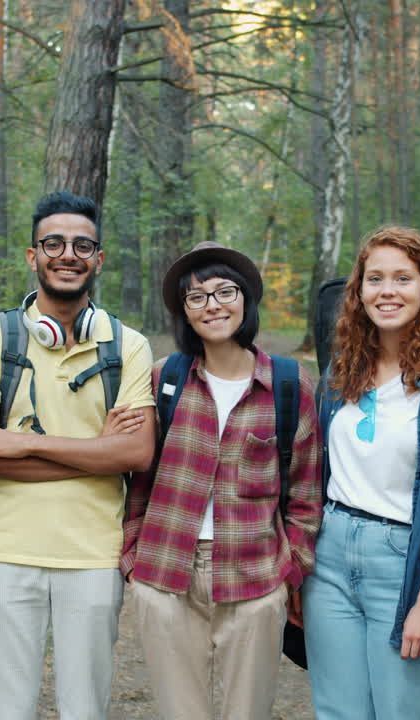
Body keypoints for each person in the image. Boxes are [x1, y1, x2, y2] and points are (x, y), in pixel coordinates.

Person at [0, 190, 156, 720]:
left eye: (82, 245)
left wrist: (22, 441)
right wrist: (98, 451)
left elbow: (137, 451)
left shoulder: (127, 345)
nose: (68, 254)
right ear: (32, 255)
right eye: (54, 242)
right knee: (6, 706)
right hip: (4, 550)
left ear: (99, 258)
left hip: (93, 552)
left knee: (85, 707)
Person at [118, 241, 323, 720]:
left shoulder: (290, 387)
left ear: (246, 300)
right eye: (197, 297)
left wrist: (288, 573)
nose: (212, 305)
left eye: (224, 291)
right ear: (184, 314)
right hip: (165, 576)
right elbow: (138, 477)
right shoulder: (161, 380)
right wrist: (133, 558)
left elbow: (307, 498)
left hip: (255, 580)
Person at [303, 226, 420, 719]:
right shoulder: (342, 373)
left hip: (405, 563)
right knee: (337, 711)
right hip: (331, 556)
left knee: (401, 710)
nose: (387, 291)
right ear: (359, 292)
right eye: (375, 278)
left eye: (403, 278)